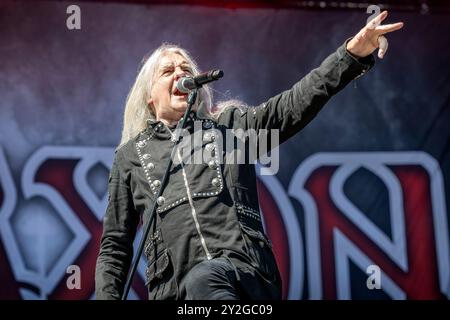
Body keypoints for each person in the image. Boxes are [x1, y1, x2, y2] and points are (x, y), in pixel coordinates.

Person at [95, 11, 403, 300]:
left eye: (186, 69)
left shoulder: (229, 129)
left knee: (204, 277)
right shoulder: (130, 157)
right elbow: (115, 246)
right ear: (149, 97)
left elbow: (292, 106)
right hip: (174, 292)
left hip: (244, 276)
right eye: (167, 71)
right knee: (198, 283)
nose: (180, 73)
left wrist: (351, 54)